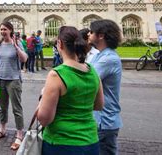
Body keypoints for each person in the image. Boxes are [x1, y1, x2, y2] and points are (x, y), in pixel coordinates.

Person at [38, 26, 104, 155]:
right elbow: (99, 105)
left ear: (59, 44)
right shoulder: (92, 70)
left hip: (61, 143)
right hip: (90, 141)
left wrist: (42, 97)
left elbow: (44, 119)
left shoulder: (57, 75)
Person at [0, 21, 28, 151]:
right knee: (2, 107)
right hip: (1, 79)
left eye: (5, 29)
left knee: (17, 108)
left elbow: (24, 59)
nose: (3, 31)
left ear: (10, 30)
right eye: (1, 29)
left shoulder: (17, 43)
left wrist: (16, 47)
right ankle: (2, 130)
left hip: (14, 80)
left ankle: (19, 135)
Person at [88, 19, 122, 155]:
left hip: (104, 120)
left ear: (101, 35)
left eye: (91, 32)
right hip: (99, 119)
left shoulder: (108, 59)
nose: (88, 35)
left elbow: (85, 80)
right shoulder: (100, 55)